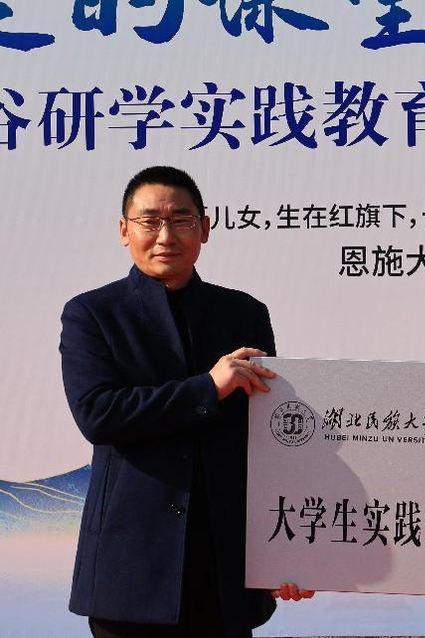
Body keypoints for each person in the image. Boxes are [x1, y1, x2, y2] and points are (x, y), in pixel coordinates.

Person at [60, 166, 312, 638]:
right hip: (132, 572)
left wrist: (286, 550)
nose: (165, 236)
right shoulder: (92, 313)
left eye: (181, 220)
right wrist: (208, 388)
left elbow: (269, 441)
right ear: (124, 230)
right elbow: (99, 414)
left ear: (205, 228)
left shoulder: (244, 313)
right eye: (149, 221)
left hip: (224, 567)